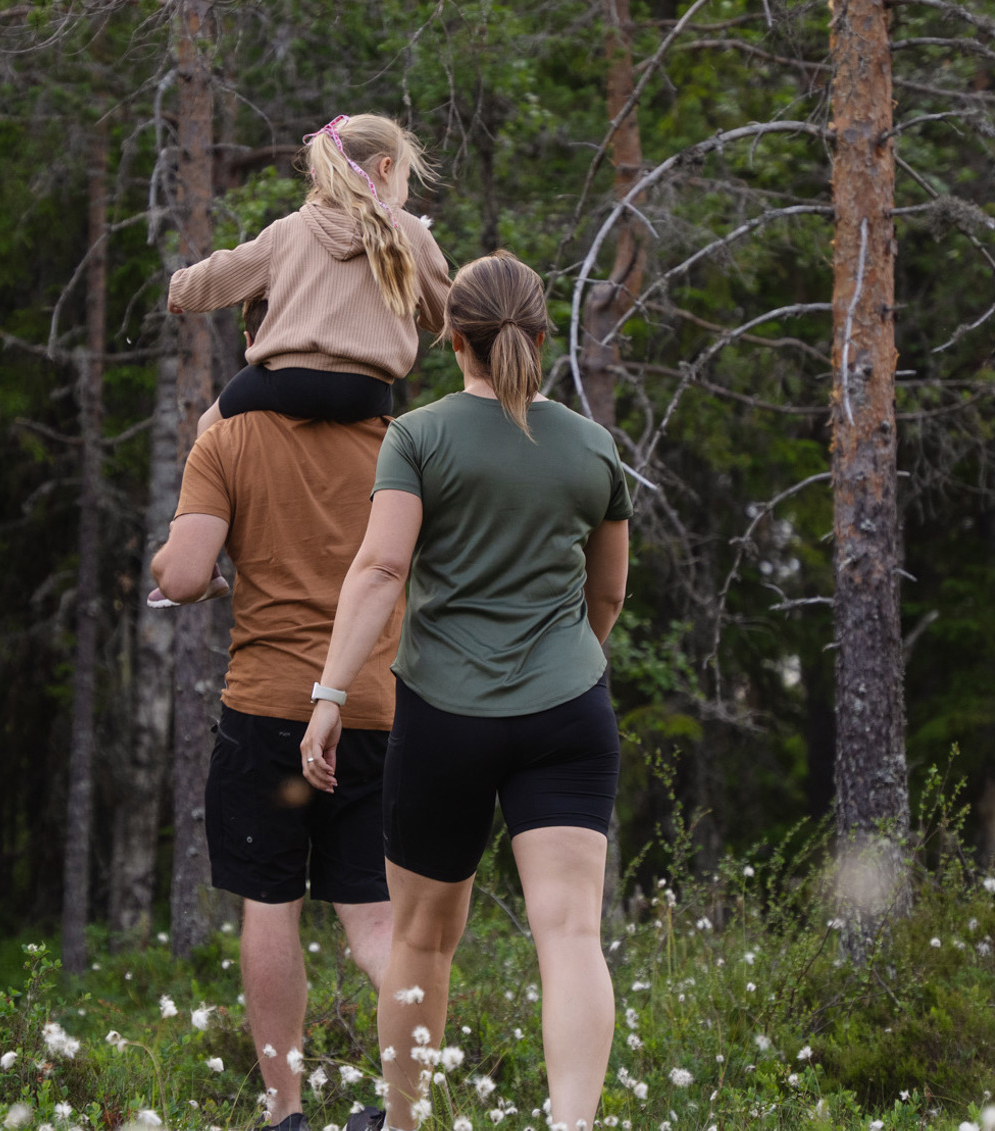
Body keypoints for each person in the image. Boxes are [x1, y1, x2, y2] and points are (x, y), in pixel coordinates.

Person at [298, 251, 634, 1131]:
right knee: (570, 934)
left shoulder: (418, 437)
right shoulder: (592, 446)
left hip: (444, 718)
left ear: (452, 339)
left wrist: (330, 694)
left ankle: (405, 1125)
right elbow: (607, 596)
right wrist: (562, 669)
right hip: (568, 714)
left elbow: (381, 570)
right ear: (541, 335)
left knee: (421, 937)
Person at [150, 407, 408, 1131]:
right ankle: (406, 1110)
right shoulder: (399, 438)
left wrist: (183, 569)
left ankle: (286, 1113)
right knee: (379, 924)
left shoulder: (231, 438)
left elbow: (183, 574)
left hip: (267, 709)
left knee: (269, 904)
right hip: (373, 706)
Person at [168, 113, 453, 432]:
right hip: (366, 393)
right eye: (407, 178)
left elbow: (225, 272)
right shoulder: (411, 233)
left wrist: (180, 290)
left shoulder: (288, 230)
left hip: (287, 382)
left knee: (208, 425)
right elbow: (448, 313)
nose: (407, 190)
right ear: (385, 168)